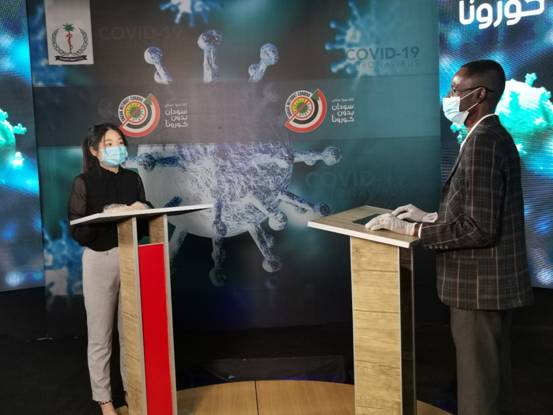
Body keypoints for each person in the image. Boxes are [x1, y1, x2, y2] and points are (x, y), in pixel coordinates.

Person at [365, 60, 534, 415]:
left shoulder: (484, 142)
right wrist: (430, 216)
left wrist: (413, 230)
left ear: (480, 95)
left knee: (479, 392)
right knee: (489, 383)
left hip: (479, 289)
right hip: (484, 287)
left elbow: (479, 228)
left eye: (455, 90)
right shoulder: (484, 137)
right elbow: (481, 210)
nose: (448, 97)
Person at [68, 123, 151, 415]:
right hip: (99, 260)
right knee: (100, 335)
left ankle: (134, 394)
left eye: (120, 142)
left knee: (132, 333)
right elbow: (77, 231)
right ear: (94, 150)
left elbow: (145, 222)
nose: (117, 148)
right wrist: (106, 215)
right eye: (109, 144)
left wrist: (142, 208)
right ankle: (105, 401)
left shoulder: (132, 178)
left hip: (132, 258)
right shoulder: (84, 182)